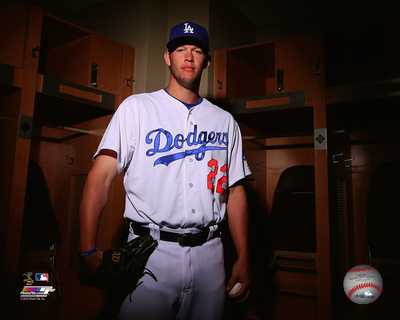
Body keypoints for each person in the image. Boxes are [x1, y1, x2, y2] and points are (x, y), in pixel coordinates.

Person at [78, 21, 251, 320]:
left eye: (196, 50)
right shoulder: (136, 108)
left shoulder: (225, 122)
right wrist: (85, 248)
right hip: (150, 253)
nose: (188, 57)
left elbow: (235, 190)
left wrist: (245, 255)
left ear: (206, 61)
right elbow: (101, 176)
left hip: (211, 253)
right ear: (167, 57)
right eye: (180, 49)